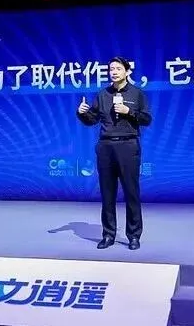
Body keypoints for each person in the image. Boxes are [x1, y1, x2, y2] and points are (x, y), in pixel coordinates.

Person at [77, 56, 152, 250]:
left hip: (128, 145)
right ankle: (108, 234)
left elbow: (146, 119)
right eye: (111, 69)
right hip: (106, 147)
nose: (114, 72)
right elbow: (92, 120)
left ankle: (133, 236)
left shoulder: (137, 94)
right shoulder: (103, 94)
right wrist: (82, 113)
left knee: (131, 192)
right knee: (107, 193)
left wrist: (129, 111)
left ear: (127, 71)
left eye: (118, 68)